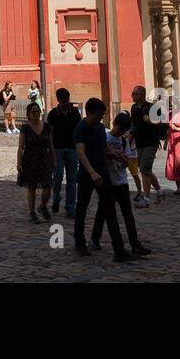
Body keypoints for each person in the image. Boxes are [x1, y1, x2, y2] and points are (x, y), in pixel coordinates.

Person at [72, 98, 131, 261]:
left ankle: (119, 250)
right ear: (90, 112)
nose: (102, 117)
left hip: (102, 173)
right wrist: (92, 173)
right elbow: (81, 152)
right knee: (82, 208)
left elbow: (105, 148)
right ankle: (80, 242)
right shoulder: (80, 128)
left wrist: (118, 155)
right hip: (87, 175)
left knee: (110, 209)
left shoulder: (99, 128)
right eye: (100, 114)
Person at [92, 112, 151, 257]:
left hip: (121, 181)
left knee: (127, 214)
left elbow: (127, 163)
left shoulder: (124, 141)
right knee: (105, 213)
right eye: (120, 129)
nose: (122, 133)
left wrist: (123, 159)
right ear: (115, 125)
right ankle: (97, 239)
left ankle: (134, 243)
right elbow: (100, 158)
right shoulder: (105, 138)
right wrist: (112, 155)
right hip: (108, 182)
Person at [17, 101, 54, 222]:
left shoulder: (47, 126)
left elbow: (51, 145)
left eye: (38, 111)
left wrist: (54, 159)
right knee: (31, 187)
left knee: (48, 186)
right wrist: (19, 162)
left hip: (44, 159)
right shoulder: (25, 127)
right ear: (28, 114)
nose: (36, 113)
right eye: (33, 111)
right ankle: (32, 212)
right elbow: (21, 146)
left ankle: (43, 206)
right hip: (30, 160)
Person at [46, 88, 80, 217]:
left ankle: (70, 207)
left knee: (72, 180)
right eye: (64, 101)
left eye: (67, 100)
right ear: (59, 100)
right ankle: (56, 198)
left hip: (72, 149)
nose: (66, 103)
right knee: (58, 177)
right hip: (58, 149)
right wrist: (51, 150)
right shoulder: (53, 114)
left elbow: (78, 131)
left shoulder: (75, 113)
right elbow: (50, 133)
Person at [129, 86, 164, 203]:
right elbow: (134, 125)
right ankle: (159, 191)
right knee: (145, 169)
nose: (132, 96)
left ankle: (146, 198)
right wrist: (130, 139)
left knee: (144, 168)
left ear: (142, 95)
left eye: (135, 94)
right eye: (132, 94)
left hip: (151, 142)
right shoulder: (133, 108)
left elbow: (162, 123)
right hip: (140, 142)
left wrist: (150, 121)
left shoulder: (152, 107)